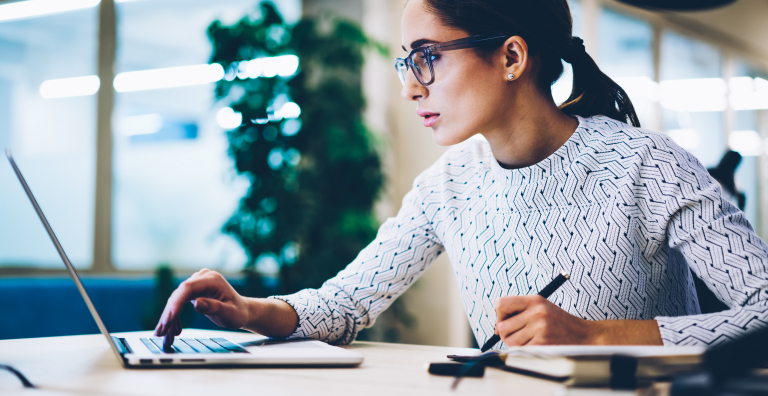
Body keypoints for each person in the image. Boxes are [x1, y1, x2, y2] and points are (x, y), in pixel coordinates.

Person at [154, 0, 768, 349]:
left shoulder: (648, 165)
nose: (410, 87)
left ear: (511, 57)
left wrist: (598, 336)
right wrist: (250, 309)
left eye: (428, 58)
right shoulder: (449, 184)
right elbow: (345, 303)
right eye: (404, 63)